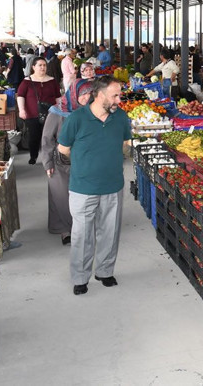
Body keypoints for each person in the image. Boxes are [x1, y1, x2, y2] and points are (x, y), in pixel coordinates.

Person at [57, 76, 132, 295]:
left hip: (113, 185)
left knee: (110, 232)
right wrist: (86, 164)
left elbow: (125, 144)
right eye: (114, 95)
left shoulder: (120, 118)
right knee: (82, 235)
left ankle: (105, 271)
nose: (119, 100)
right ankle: (80, 278)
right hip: (83, 188)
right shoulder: (76, 119)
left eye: (120, 95)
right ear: (99, 95)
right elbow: (63, 149)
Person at [40, 79, 94, 246]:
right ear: (74, 94)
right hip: (60, 162)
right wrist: (47, 163)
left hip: (83, 160)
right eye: (83, 93)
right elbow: (47, 139)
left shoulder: (89, 111)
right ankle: (65, 230)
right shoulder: (57, 113)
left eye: (89, 93)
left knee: (83, 196)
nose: (87, 97)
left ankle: (81, 227)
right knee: (61, 196)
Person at [17, 57, 62, 165]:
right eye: (40, 65)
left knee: (50, 136)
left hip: (51, 113)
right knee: (34, 136)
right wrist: (22, 110)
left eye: (44, 65)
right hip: (32, 113)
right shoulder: (27, 81)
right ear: (33, 67)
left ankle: (51, 157)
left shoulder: (52, 80)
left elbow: (58, 97)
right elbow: (20, 96)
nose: (42, 67)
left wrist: (61, 110)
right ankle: (33, 156)